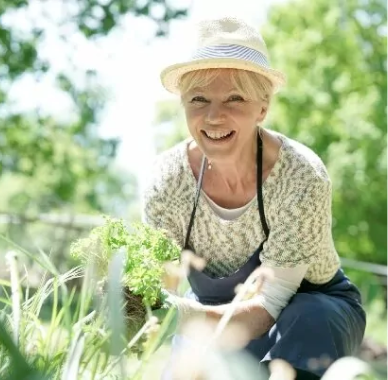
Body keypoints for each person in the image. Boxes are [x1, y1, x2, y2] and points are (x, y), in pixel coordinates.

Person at [142, 17, 366, 380]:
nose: (214, 116)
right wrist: (137, 300)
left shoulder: (300, 175)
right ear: (183, 105)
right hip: (210, 314)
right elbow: (162, 281)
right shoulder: (166, 181)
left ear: (262, 108)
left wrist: (180, 317)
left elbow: (270, 305)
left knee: (310, 317)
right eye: (198, 99)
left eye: (235, 98)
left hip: (308, 316)